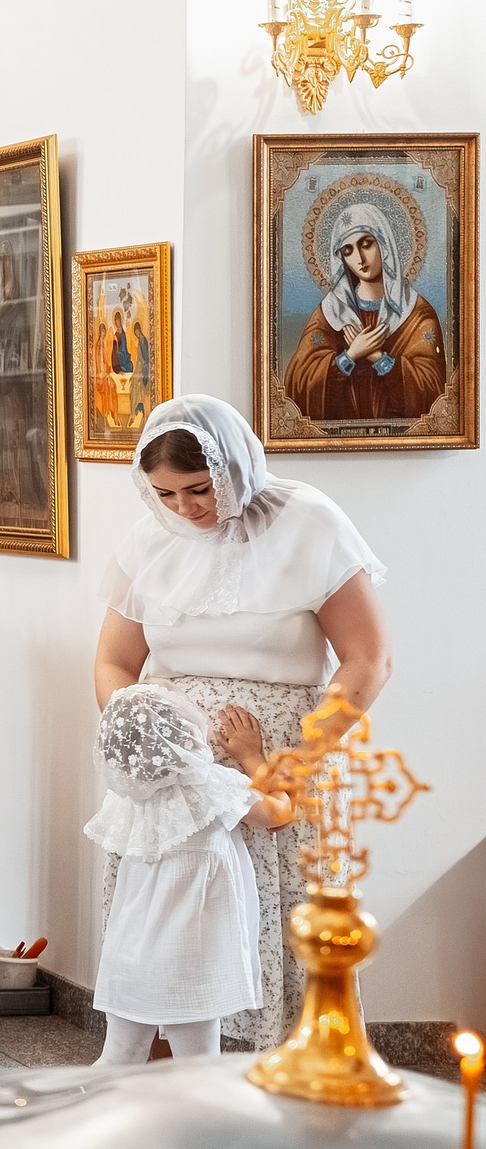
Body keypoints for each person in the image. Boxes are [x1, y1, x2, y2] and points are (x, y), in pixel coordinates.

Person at [92, 394, 389, 1047]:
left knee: (273, 917)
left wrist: (296, 759)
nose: (185, 508)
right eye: (165, 494)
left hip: (280, 755)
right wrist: (143, 739)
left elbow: (368, 658)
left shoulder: (309, 522)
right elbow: (114, 662)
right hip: (174, 766)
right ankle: (169, 1070)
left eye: (198, 488)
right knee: (173, 921)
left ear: (236, 465)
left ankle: (283, 1071)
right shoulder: (151, 540)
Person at [84, 685, 291, 1066]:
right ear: (181, 742)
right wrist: (250, 755)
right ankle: (196, 1124)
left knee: (119, 1056)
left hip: (132, 950)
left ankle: (82, 1116)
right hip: (191, 955)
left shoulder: (127, 796)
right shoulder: (210, 783)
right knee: (198, 1065)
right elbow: (279, 814)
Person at [283, 204, 446, 425]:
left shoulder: (417, 313)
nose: (359, 258)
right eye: (348, 251)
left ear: (384, 244)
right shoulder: (331, 312)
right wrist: (349, 356)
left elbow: (432, 390)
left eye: (366, 244)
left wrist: (378, 358)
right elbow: (298, 385)